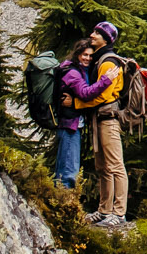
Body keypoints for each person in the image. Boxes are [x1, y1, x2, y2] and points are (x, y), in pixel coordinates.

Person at [62, 20, 131, 228]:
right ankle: (104, 210)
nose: (92, 35)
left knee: (115, 165)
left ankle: (118, 213)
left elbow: (104, 96)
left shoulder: (108, 62)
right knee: (103, 166)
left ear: (106, 39)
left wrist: (76, 102)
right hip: (100, 119)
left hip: (108, 119)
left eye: (97, 33)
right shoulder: (99, 60)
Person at [51, 37, 95, 192]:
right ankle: (65, 201)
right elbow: (85, 93)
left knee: (64, 164)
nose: (88, 58)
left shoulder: (72, 69)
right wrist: (106, 80)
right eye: (85, 54)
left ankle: (59, 197)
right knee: (69, 167)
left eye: (90, 55)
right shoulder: (73, 73)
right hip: (70, 124)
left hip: (69, 123)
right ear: (77, 54)